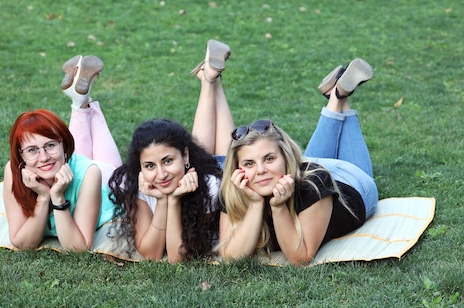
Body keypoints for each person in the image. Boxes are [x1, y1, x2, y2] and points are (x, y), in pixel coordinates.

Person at [220, 58, 379, 265]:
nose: (260, 170)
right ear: (237, 168)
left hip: (352, 180)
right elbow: (231, 257)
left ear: (286, 158)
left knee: (321, 171)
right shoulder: (234, 190)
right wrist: (256, 203)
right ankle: (338, 95)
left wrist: (278, 207)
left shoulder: (313, 184)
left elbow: (300, 257)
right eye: (249, 163)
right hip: (302, 167)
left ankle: (340, 97)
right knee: (308, 164)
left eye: (269, 158)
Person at [108, 40, 234, 263]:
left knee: (225, 157)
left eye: (167, 161)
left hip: (217, 173)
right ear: (139, 166)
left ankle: (211, 80)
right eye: (149, 166)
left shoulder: (210, 188)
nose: (161, 174)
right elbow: (151, 253)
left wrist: (174, 200)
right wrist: (166, 202)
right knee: (202, 148)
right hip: (191, 166)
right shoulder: (134, 183)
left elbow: (178, 255)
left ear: (185, 156)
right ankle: (210, 78)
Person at [3, 55, 122, 252]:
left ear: (64, 147)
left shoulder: (91, 173)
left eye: (50, 146)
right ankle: (80, 101)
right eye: (32, 150)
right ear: (20, 155)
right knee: (56, 155)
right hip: (68, 162)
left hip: (106, 178)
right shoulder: (13, 170)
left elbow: (78, 247)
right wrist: (43, 198)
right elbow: (23, 243)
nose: (43, 157)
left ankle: (82, 101)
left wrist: (57, 198)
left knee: (106, 160)